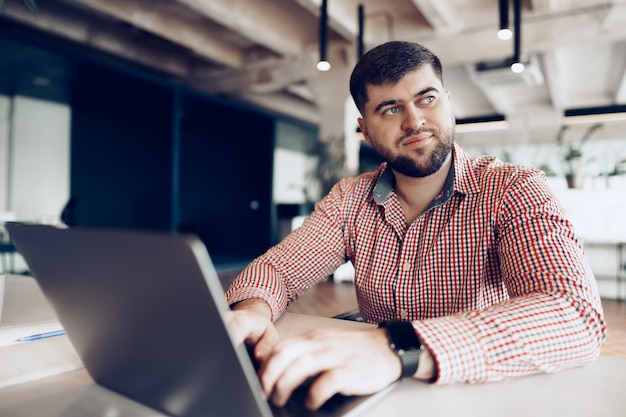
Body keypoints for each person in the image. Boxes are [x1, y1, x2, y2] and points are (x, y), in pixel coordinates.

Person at [226, 41, 606, 410]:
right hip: (372, 393)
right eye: (390, 109)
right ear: (365, 129)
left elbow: (574, 314)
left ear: (448, 102)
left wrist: (399, 347)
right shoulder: (350, 199)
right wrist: (253, 310)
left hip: (474, 390)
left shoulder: (513, 188)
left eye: (427, 99)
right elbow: (279, 269)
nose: (414, 121)